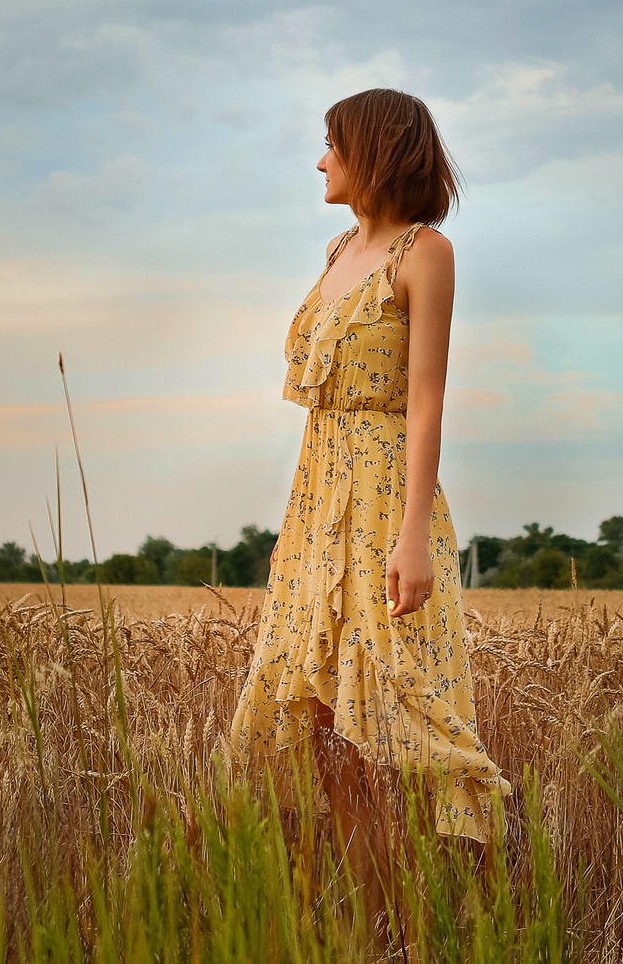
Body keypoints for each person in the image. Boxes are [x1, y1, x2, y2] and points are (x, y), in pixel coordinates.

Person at [223, 87, 510, 869]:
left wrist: (413, 536)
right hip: (317, 493)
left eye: (331, 144)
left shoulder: (425, 252)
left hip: (386, 494)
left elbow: (424, 402)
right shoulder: (333, 250)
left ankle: (437, 908)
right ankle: (367, 910)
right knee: (320, 711)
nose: (320, 160)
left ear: (373, 150)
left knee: (396, 708)